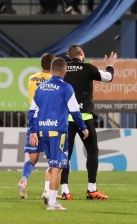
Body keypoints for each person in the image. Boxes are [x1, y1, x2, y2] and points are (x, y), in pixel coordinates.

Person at [28, 57, 88, 211]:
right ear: (64, 70)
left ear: (51, 69)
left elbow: (32, 111)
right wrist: (83, 127)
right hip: (58, 131)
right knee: (57, 167)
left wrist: (33, 131)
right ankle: (52, 203)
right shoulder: (66, 87)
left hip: (42, 131)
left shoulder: (41, 87)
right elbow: (74, 110)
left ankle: (49, 195)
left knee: (52, 165)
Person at [58, 46, 117, 201]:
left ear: (69, 56)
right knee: (92, 151)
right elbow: (108, 77)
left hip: (66, 118)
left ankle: (65, 191)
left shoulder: (63, 69)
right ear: (81, 53)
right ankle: (91, 189)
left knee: (65, 155)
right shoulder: (88, 68)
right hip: (84, 117)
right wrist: (110, 65)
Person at [18, 53, 54, 199]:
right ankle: (48, 191)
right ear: (52, 65)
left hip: (34, 120)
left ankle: (23, 180)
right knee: (54, 160)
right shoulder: (54, 79)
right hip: (49, 121)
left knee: (32, 158)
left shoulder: (31, 78)